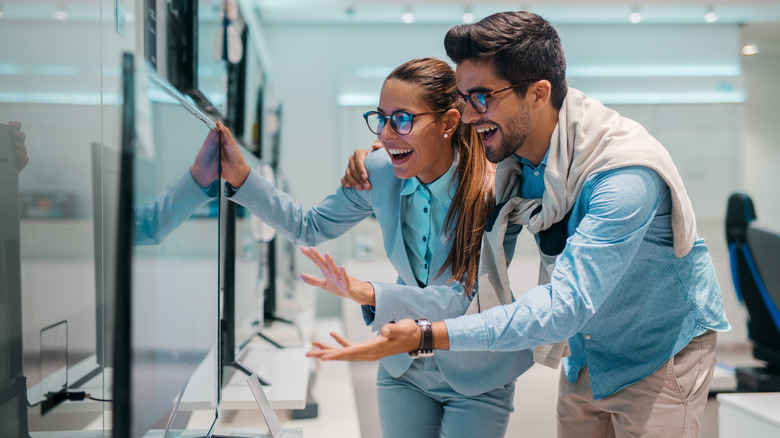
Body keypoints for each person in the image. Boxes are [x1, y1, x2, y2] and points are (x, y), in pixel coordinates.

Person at [305, 11, 730, 438]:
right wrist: (383, 149)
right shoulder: (515, 154)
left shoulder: (622, 178)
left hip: (657, 351)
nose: (468, 116)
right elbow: (437, 144)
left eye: (481, 98)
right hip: (587, 351)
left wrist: (427, 335)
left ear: (538, 94)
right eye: (464, 97)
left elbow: (564, 305)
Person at [218, 58, 534, 438]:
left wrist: (367, 291)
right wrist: (242, 178)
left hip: (477, 370)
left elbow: (466, 299)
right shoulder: (381, 171)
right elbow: (310, 226)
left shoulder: (493, 184)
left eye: (402, 119)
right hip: (404, 369)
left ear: (449, 122)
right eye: (380, 118)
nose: (385, 134)